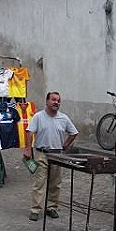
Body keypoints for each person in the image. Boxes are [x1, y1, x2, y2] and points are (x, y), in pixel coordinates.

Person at [24, 92, 78, 221]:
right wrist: (27, 148)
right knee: (39, 182)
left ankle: (51, 207)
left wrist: (65, 145)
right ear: (47, 101)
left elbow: (74, 133)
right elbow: (30, 132)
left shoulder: (63, 118)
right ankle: (35, 209)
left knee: (55, 183)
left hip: (57, 154)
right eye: (53, 100)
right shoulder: (38, 117)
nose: (56, 102)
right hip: (41, 153)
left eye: (58, 101)